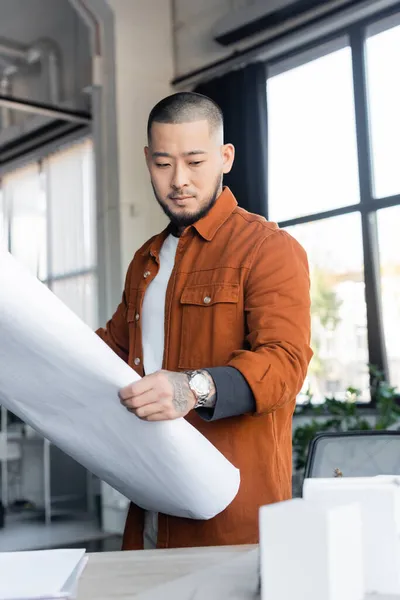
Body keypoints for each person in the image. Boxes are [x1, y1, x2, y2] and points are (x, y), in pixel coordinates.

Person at [96, 91, 312, 550]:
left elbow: (285, 364)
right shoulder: (145, 261)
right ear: (147, 161)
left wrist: (192, 388)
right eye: (163, 164)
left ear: (225, 157)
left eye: (195, 162)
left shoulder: (268, 249)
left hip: (231, 520)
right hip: (150, 506)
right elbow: (107, 353)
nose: (179, 181)